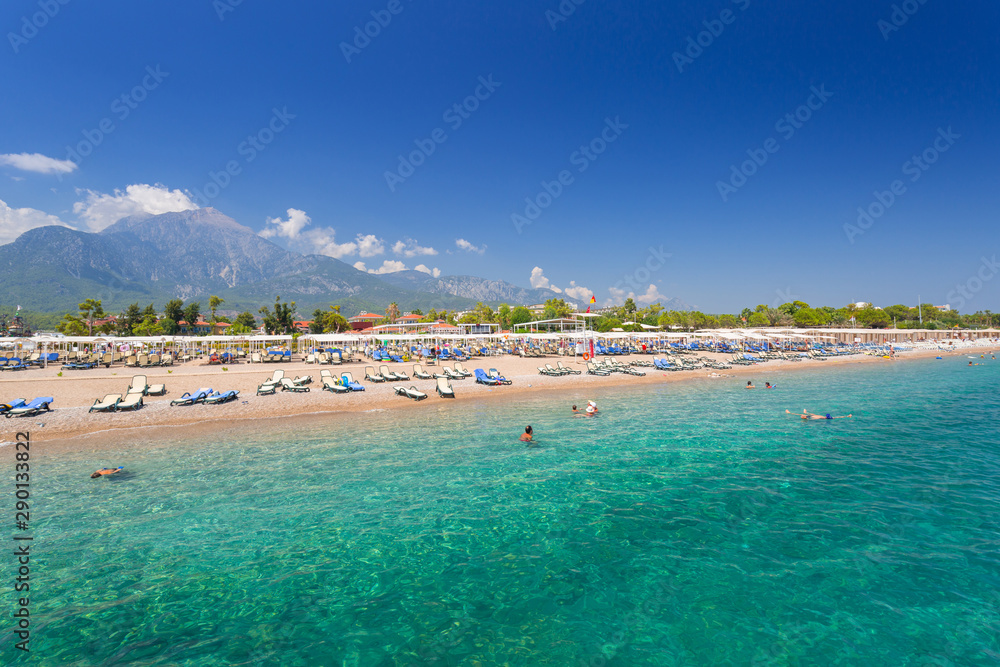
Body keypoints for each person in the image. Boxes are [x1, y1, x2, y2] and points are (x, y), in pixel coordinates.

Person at [786, 409, 852, 420]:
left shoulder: (823, 418)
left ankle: (789, 413)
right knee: (811, 414)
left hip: (813, 417)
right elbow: (838, 417)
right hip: (813, 416)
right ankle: (805, 413)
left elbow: (837, 417)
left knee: (801, 415)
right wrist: (847, 416)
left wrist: (807, 418)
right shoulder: (826, 417)